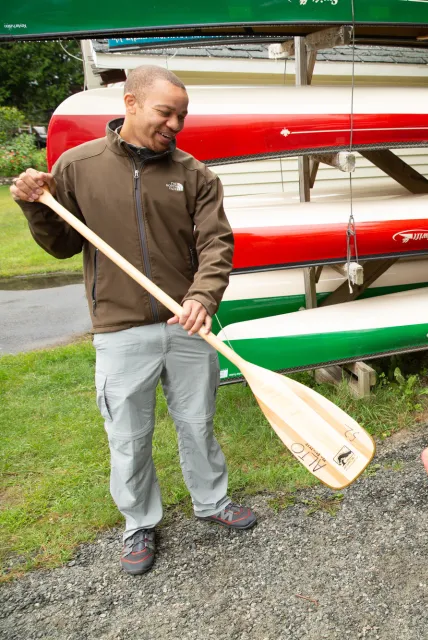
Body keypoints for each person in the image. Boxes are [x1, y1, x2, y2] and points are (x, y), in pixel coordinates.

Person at [10, 65, 257, 576]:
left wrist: (203, 297)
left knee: (198, 423)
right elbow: (60, 244)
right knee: (128, 434)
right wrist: (34, 206)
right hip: (120, 328)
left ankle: (212, 502)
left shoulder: (195, 175)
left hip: (186, 324)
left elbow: (216, 244)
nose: (175, 124)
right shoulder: (78, 166)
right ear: (131, 103)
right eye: (165, 112)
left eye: (182, 116)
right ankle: (139, 523)